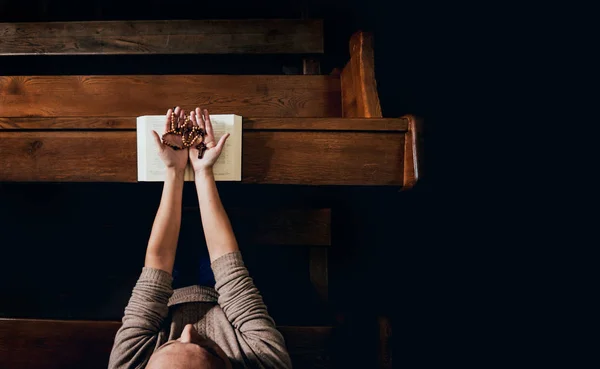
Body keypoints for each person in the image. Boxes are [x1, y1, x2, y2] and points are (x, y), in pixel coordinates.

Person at [108, 107, 292, 369]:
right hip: (224, 301)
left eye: (171, 344)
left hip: (168, 297)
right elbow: (231, 272)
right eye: (207, 349)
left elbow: (157, 266)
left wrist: (174, 171)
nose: (190, 330)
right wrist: (204, 172)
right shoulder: (266, 363)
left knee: (127, 222)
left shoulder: (127, 365)